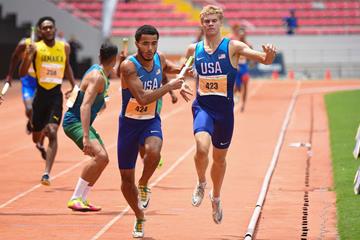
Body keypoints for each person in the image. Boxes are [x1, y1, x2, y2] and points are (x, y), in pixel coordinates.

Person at [183, 5, 276, 224]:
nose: (210, 24)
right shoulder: (193, 49)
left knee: (219, 159)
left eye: (214, 21)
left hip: (224, 113)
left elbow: (263, 59)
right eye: (207, 21)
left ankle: (215, 197)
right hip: (203, 108)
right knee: (201, 148)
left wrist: (269, 55)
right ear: (202, 23)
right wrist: (180, 84)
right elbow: (181, 69)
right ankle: (200, 182)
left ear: (220, 23)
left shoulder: (233, 47)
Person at [117, 24, 190, 238]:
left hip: (150, 121)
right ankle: (139, 216)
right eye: (146, 44)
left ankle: (144, 183)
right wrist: (171, 88)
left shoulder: (160, 57)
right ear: (137, 43)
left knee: (154, 152)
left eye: (154, 43)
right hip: (129, 126)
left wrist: (186, 68)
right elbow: (142, 98)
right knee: (125, 180)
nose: (150, 48)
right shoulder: (128, 67)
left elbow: (170, 67)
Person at [19, 16, 76, 185]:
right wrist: (28, 57)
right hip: (40, 96)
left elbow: (67, 67)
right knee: (36, 138)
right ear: (39, 31)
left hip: (55, 96)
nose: (48, 30)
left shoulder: (64, 47)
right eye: (45, 28)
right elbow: (22, 73)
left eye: (51, 27)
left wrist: (74, 86)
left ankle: (46, 173)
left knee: (52, 131)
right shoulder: (35, 48)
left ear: (55, 29)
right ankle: (35, 128)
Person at [63, 42, 120, 211]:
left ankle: (82, 198)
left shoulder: (101, 71)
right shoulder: (98, 77)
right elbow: (85, 106)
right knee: (100, 157)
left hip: (81, 121)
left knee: (104, 159)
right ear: (114, 59)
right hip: (74, 122)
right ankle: (75, 198)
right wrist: (86, 137)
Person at [228, 23, 252, 112]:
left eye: (243, 32)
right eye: (240, 32)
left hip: (244, 67)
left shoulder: (248, 44)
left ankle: (243, 105)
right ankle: (232, 103)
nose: (241, 34)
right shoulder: (235, 44)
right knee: (235, 87)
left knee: (245, 86)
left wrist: (250, 62)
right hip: (236, 66)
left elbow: (252, 57)